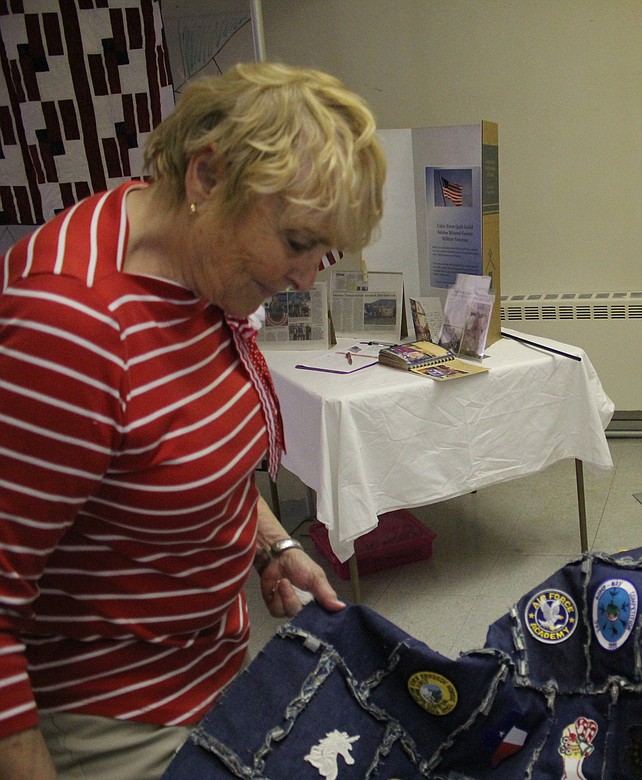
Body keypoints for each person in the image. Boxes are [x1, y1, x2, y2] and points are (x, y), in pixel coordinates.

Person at [0, 62, 386, 778]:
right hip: (116, 710)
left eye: (323, 253)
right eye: (298, 243)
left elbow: (167, 442)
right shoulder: (73, 324)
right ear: (207, 176)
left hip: (207, 663)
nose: (305, 278)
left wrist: (267, 542)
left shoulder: (194, 261)